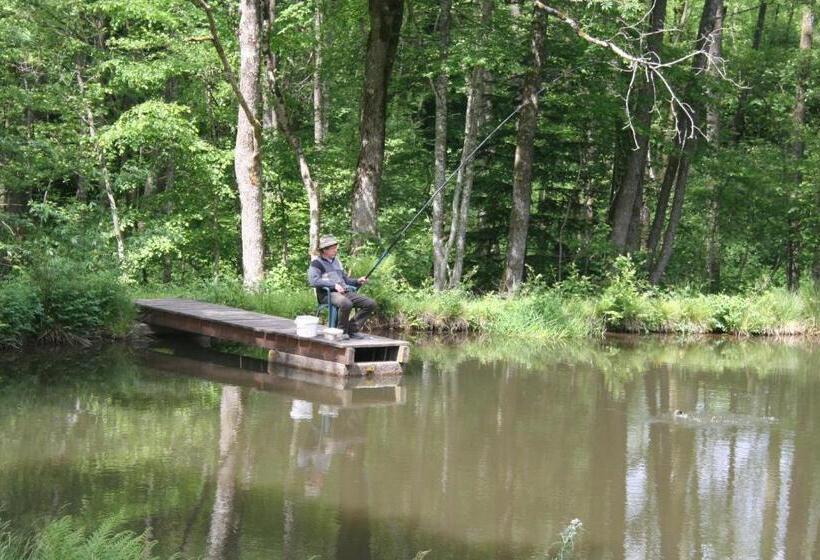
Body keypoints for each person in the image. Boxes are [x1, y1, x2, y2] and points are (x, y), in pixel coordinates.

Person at [308, 235, 377, 338]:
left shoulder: (337, 262)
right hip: (327, 294)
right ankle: (341, 332)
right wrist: (333, 285)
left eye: (336, 248)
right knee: (346, 303)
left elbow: (346, 280)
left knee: (370, 303)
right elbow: (313, 281)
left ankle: (352, 329)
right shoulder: (316, 263)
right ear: (324, 250)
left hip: (344, 292)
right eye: (333, 248)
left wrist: (357, 281)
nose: (336, 250)